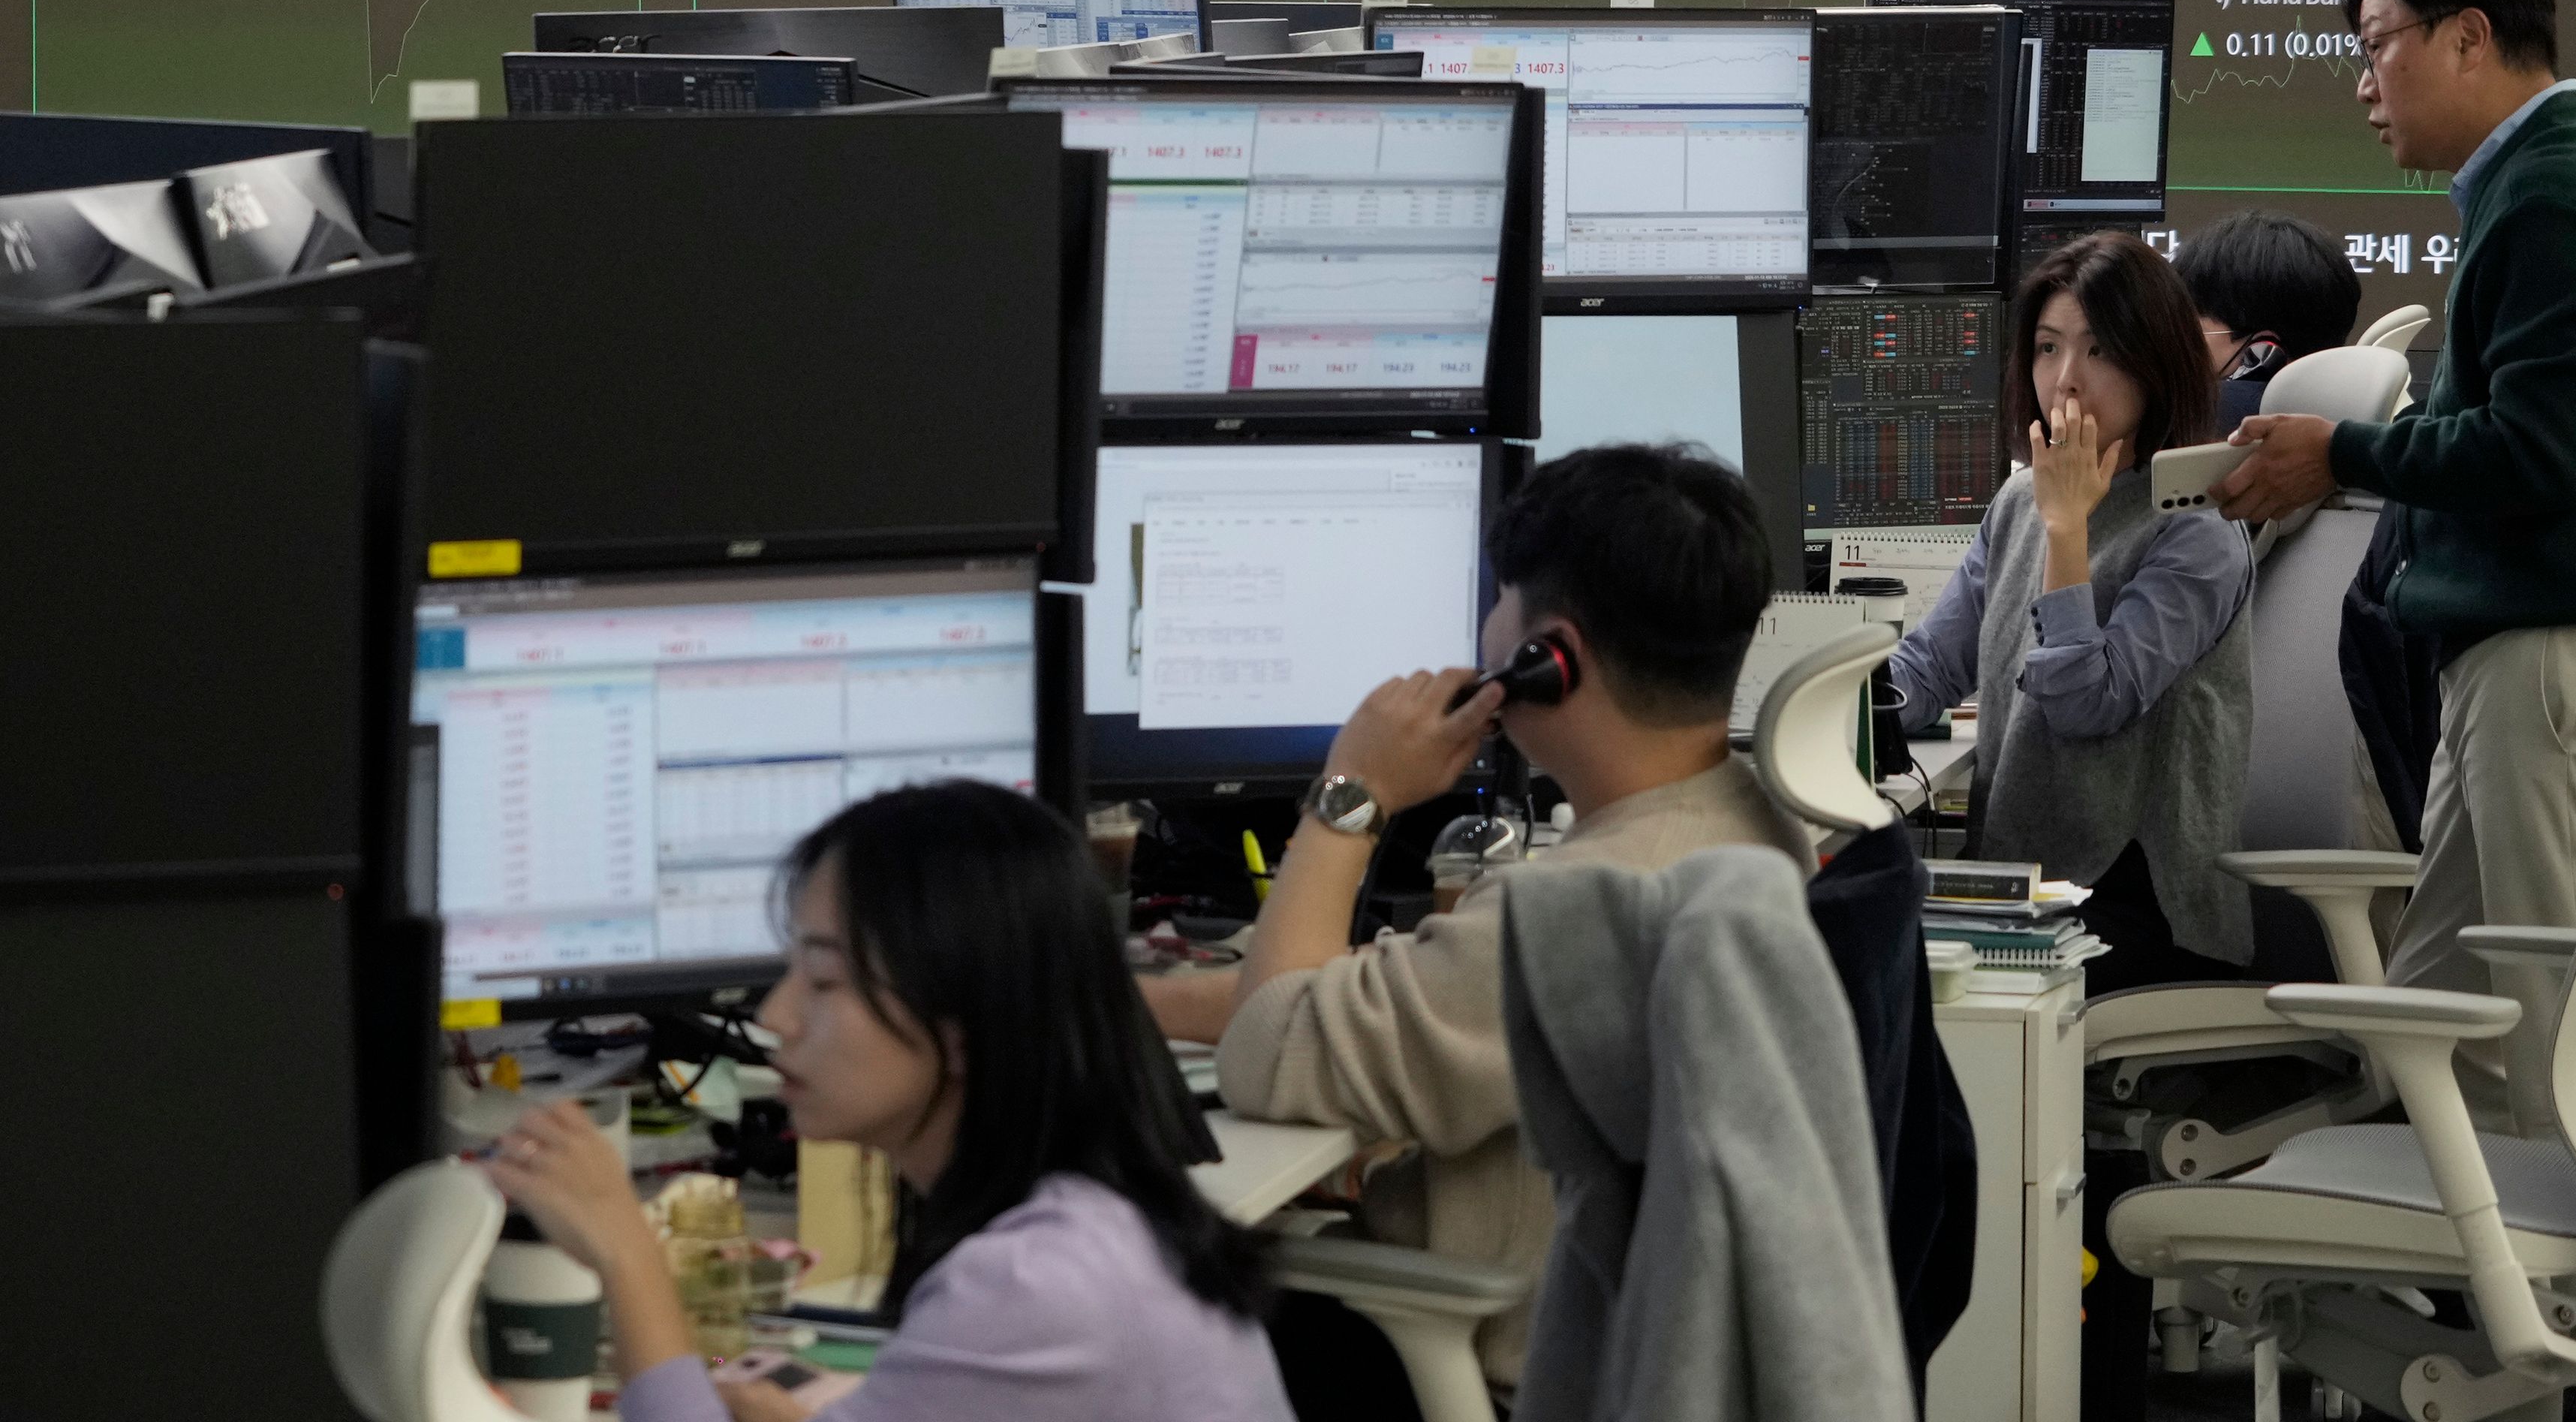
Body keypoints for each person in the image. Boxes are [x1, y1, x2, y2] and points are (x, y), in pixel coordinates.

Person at [1141, 443, 1818, 1396]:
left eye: (1499, 598)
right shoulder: (1748, 830)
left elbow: (1267, 1045)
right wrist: (1126, 999)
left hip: (1481, 1366)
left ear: (1551, 660)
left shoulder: (1573, 909)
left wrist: (1356, 790)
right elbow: (1382, 990)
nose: (1484, 625)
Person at [2214, 0, 2576, 1144]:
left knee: (2539, 1047)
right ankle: (2472, 1308)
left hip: (2558, 669)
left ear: (2469, 37)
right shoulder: (2551, 179)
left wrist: (2344, 451)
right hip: (2539, 664)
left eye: (2380, 45)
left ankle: (2572, 1321)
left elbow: (2544, 455)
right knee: (2440, 1021)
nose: (2363, 82)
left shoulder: (2555, 198)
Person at [485, 782, 1293, 1422]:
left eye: (825, 981)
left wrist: (624, 1250)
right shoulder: (1092, 1219)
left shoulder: (1034, 1285)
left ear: (966, 1023)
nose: (774, 1016)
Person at [1887, 230, 2256, 990]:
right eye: (2048, 348)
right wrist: (1818, 706)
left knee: (1890, 976)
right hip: (2019, 877)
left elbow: (2087, 704)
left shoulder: (2196, 528)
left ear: (2154, 363)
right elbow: (1932, 663)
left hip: (2136, 900)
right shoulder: (2025, 497)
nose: (2066, 381)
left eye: (2099, 352)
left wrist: (2069, 531)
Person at [2173, 209, 2365, 429]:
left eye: (2191, 330)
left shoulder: (2198, 427)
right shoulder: (2341, 416)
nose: (2178, 343)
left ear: (2263, 353)